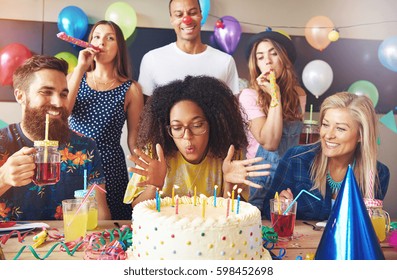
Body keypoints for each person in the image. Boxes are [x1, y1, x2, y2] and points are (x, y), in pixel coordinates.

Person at [123, 75, 270, 208]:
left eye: (197, 125)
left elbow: (233, 218)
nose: (187, 136)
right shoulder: (155, 152)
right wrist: (154, 186)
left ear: (213, 123)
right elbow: (135, 208)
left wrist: (229, 185)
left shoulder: (228, 154)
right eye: (177, 127)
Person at [0, 55, 110, 221]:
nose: (58, 103)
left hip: (69, 244)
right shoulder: (3, 143)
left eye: (63, 94)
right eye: (46, 92)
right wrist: (3, 178)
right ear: (20, 96)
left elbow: (101, 214)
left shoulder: (85, 147)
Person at [263, 92, 390, 220]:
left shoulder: (378, 174)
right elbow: (267, 209)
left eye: (340, 128)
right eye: (325, 125)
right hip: (303, 240)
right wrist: (280, 207)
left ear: (361, 135)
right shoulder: (296, 158)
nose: (328, 135)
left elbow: (368, 224)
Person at [67, 20, 144, 220]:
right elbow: (63, 114)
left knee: (110, 229)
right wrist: (80, 68)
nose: (102, 42)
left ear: (119, 47)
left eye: (110, 38)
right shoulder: (73, 78)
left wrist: (144, 175)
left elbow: (134, 141)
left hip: (110, 166)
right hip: (73, 163)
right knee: (70, 224)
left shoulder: (132, 89)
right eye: (97, 37)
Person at [239, 28, 306, 218]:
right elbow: (270, 142)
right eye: (260, 57)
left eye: (273, 54)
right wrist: (274, 94)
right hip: (258, 180)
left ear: (284, 58)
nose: (267, 61)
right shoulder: (249, 96)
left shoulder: (299, 95)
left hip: (288, 178)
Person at [138, 0, 240, 99]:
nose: (186, 19)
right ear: (172, 20)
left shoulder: (225, 61)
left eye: (192, 13)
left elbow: (233, 110)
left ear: (201, 15)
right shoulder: (152, 59)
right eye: (179, 15)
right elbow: (146, 110)